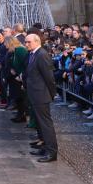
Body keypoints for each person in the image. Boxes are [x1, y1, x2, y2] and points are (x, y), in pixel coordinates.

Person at [24, 34, 58, 163]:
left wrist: (51, 93)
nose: (26, 44)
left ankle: (52, 152)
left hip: (41, 95)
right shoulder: (33, 54)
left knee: (46, 124)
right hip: (35, 94)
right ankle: (44, 147)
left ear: (37, 42)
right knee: (40, 124)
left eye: (28, 42)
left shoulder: (42, 54)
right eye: (26, 42)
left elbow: (49, 78)